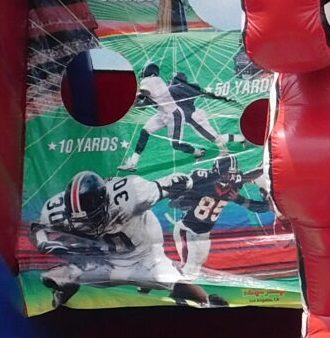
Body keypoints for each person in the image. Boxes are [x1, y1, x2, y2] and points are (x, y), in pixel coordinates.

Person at [31, 169, 222, 310]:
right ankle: (61, 298)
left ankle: (208, 304)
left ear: (106, 203)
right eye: (81, 221)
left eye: (93, 218)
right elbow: (37, 228)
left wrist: (183, 184)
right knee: (55, 277)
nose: (89, 225)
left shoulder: (132, 194)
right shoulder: (55, 210)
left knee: (175, 281)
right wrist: (44, 242)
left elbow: (175, 183)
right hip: (104, 259)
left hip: (144, 254)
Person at [159, 154, 272, 278]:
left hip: (204, 233)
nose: (230, 177)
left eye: (232, 174)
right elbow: (177, 195)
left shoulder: (233, 184)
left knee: (197, 265)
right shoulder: (203, 179)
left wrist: (267, 166)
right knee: (188, 266)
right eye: (227, 173)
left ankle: (179, 281)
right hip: (187, 229)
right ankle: (168, 279)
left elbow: (249, 176)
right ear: (218, 171)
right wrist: (183, 200)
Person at [120, 63, 230, 170]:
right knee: (145, 132)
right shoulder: (156, 85)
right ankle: (133, 163)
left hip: (174, 115)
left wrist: (130, 99)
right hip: (162, 114)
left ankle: (198, 152)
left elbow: (142, 94)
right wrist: (133, 103)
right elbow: (143, 105)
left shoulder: (152, 80)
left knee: (176, 145)